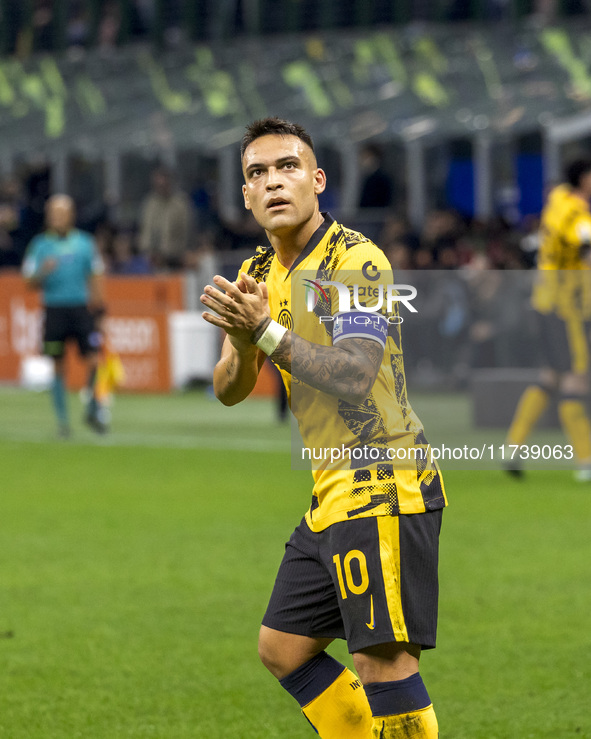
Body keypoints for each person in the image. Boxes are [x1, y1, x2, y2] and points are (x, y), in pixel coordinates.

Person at [200, 117, 446, 738]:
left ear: (318, 181)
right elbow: (228, 389)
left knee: (381, 662)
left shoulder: (355, 261)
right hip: (330, 490)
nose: (273, 183)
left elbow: (357, 373)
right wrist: (242, 337)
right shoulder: (259, 270)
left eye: (287, 168)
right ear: (246, 196)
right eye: (257, 174)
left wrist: (265, 332)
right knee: (283, 646)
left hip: (385, 482)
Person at [505, 158, 591, 480]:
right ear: (584, 178)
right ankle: (585, 460)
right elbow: (585, 245)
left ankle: (513, 446)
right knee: (575, 378)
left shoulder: (555, 204)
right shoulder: (576, 212)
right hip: (568, 308)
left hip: (545, 303)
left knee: (551, 376)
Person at [22, 194, 108, 437]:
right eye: (53, 213)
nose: (56, 218)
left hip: (81, 310)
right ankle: (63, 422)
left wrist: (100, 310)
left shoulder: (85, 243)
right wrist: (43, 272)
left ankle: (93, 408)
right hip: (54, 312)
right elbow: (28, 281)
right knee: (57, 366)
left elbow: (96, 276)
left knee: (94, 361)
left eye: (61, 213)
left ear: (71, 215)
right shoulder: (39, 245)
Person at [138, 166, 194, 270]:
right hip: (150, 261)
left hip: (175, 260)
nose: (161, 187)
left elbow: (188, 232)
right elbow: (145, 231)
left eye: (164, 184)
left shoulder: (181, 204)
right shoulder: (150, 203)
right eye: (158, 184)